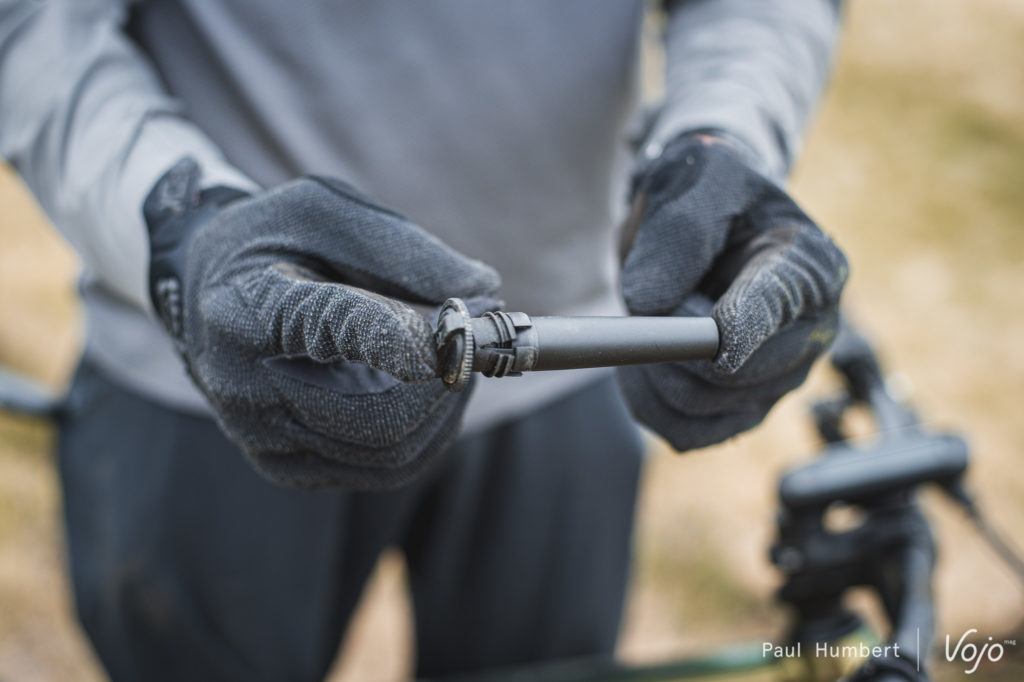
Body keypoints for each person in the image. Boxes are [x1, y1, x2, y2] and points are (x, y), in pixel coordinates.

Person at [0, 1, 848, 680]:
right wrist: (182, 225)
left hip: (576, 361)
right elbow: (35, 29)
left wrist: (726, 135)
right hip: (229, 374)